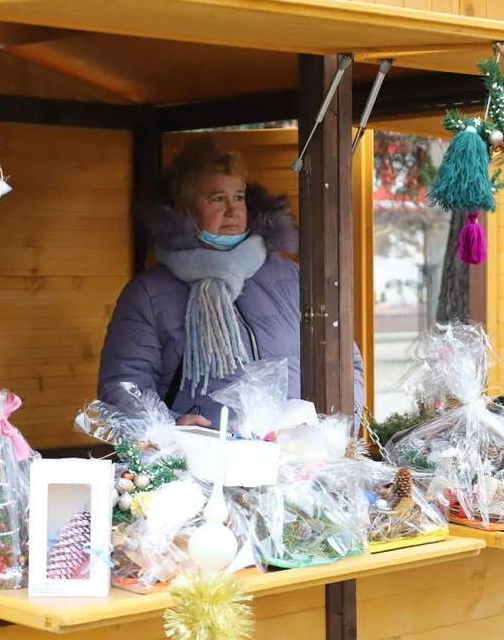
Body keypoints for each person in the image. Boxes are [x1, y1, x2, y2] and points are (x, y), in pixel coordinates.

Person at [98, 136, 365, 429]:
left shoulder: (292, 276)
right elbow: (123, 389)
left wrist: (334, 429)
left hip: (298, 461)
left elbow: (345, 362)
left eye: (238, 197)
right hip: (203, 463)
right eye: (216, 198)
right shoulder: (147, 294)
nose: (232, 210)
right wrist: (171, 431)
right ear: (184, 208)